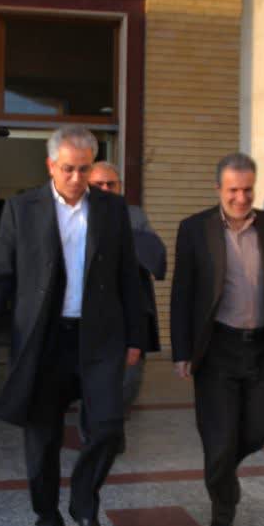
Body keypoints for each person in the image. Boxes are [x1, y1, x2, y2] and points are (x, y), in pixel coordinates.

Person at [0, 127, 144, 526]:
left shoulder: (112, 209)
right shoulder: (22, 209)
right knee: (42, 441)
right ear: (50, 166)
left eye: (84, 169)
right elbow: (0, 275)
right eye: (68, 169)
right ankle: (47, 523)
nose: (77, 178)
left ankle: (84, 502)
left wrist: (137, 337)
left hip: (98, 338)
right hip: (43, 342)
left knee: (107, 429)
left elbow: (128, 276)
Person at [169, 152, 264, 526]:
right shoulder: (195, 229)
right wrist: (182, 351)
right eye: (232, 191)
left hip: (259, 348)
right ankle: (222, 518)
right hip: (217, 349)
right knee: (219, 440)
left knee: (259, 430)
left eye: (247, 190)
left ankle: (222, 470)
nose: (241, 198)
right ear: (218, 189)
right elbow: (182, 293)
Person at [87, 162, 166, 446]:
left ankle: (114, 426)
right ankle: (95, 433)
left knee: (129, 380)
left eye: (111, 184)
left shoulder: (135, 215)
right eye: (99, 184)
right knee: (92, 382)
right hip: (89, 316)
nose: (106, 189)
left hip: (130, 312)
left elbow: (154, 255)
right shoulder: (75, 216)